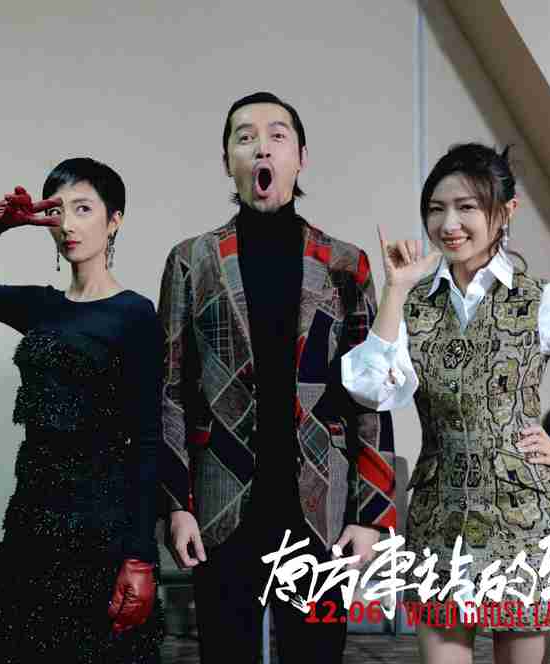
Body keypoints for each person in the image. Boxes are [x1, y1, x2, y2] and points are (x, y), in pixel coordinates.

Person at [341, 142, 550, 663]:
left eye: (466, 207)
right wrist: (395, 290)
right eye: (436, 209)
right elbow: (369, 390)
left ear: (506, 211)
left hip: (526, 516)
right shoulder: (412, 304)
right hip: (440, 514)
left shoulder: (543, 301)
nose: (449, 224)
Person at [158, 91, 397, 663]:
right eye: (245, 137)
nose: (261, 147)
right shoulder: (192, 260)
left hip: (320, 506)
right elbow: (169, 391)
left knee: (316, 655)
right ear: (228, 161)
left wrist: (370, 516)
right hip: (220, 502)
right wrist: (176, 505)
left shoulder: (345, 264)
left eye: (277, 135)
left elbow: (369, 394)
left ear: (300, 158)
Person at [0, 158, 164, 663]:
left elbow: (147, 439)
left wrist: (140, 556)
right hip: (33, 517)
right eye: (57, 211)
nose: (67, 224)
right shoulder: (40, 306)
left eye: (83, 209)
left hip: (102, 525)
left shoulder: (134, 314)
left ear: (114, 220)